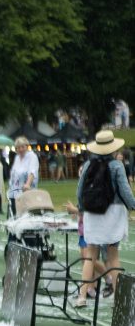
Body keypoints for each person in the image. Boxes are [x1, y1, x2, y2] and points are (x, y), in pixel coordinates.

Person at [75, 130, 135, 303]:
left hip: (92, 213)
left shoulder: (87, 165)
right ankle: (120, 297)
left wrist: (81, 208)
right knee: (113, 256)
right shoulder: (117, 166)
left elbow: (80, 191)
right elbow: (125, 191)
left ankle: (82, 296)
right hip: (113, 214)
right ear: (113, 147)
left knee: (90, 256)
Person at [64, 201, 107, 308]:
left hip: (90, 229)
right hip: (83, 230)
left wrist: (74, 209)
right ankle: (89, 288)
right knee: (85, 260)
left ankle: (108, 278)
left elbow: (89, 209)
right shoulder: (84, 188)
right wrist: (76, 210)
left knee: (90, 259)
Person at [7, 137, 39, 219]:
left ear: (27, 146)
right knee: (13, 218)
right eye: (18, 147)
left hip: (26, 193)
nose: (20, 149)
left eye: (22, 147)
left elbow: (32, 172)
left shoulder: (32, 156)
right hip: (14, 194)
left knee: (25, 219)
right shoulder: (17, 158)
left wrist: (27, 184)